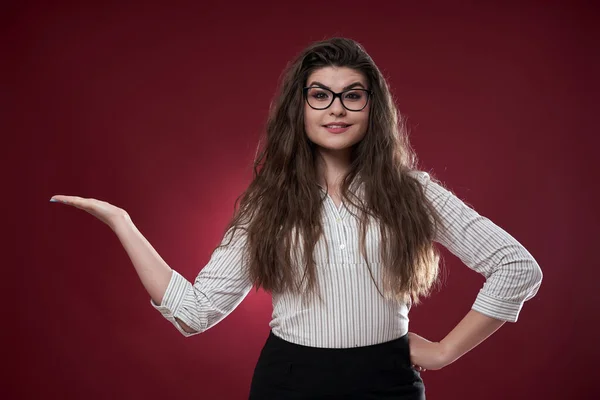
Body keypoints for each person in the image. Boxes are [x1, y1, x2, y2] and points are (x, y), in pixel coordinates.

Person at [50, 37, 543, 399]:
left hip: (387, 383)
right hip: (288, 383)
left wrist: (444, 352)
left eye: (353, 94)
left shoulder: (414, 193)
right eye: (320, 94)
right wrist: (122, 222)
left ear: (373, 109)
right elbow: (194, 312)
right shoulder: (268, 203)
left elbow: (517, 267)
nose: (337, 109)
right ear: (300, 109)